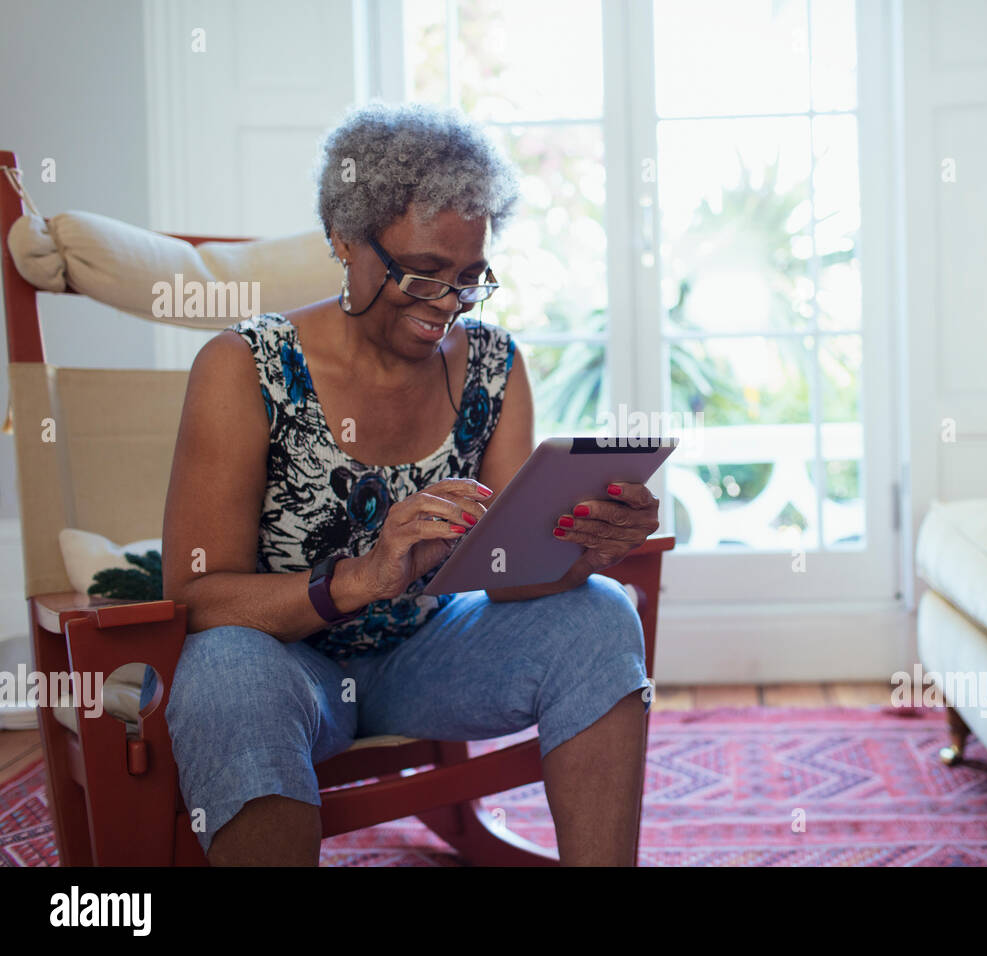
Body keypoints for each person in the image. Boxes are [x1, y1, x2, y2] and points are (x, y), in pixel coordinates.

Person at [144, 103, 660, 866]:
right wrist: (358, 579)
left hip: (430, 653)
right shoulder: (244, 368)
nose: (446, 305)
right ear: (344, 240)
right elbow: (195, 598)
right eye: (420, 273)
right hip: (286, 663)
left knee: (602, 614)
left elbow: (510, 577)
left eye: (469, 278)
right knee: (223, 669)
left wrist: (582, 548)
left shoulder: (492, 363)